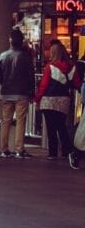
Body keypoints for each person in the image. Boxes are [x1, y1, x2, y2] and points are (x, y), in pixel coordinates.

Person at [0, 28, 36, 159]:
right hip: (22, 93)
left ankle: (3, 149)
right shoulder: (26, 57)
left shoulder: (3, 55)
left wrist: (5, 84)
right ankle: (19, 149)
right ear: (21, 41)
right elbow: (31, 76)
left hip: (7, 92)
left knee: (6, 120)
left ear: (10, 41)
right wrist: (31, 92)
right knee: (20, 121)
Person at [36, 39, 78, 168]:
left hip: (49, 100)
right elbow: (76, 83)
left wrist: (37, 98)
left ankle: (53, 152)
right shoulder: (72, 67)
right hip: (64, 100)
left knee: (50, 127)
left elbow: (43, 85)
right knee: (61, 126)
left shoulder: (50, 67)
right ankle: (67, 150)